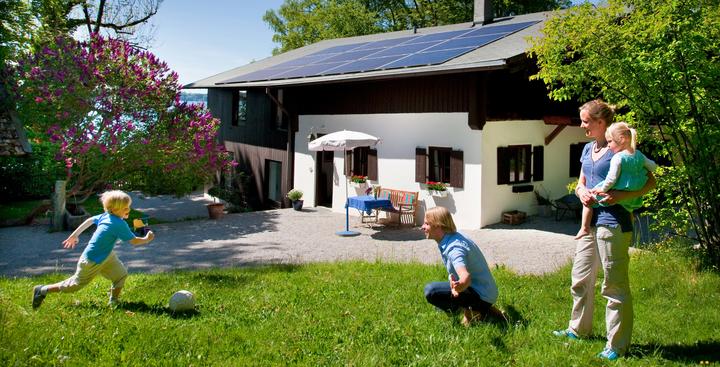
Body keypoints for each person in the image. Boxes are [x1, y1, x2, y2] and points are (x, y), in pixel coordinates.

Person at [553, 100, 656, 361]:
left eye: (586, 121)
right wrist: (580, 192)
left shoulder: (621, 149)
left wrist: (619, 196)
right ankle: (578, 329)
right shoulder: (588, 148)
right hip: (590, 221)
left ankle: (617, 345)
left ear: (601, 122)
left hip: (614, 222)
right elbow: (582, 181)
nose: (582, 125)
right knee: (580, 278)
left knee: (614, 284)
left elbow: (651, 182)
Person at [32, 190, 155, 309]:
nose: (129, 209)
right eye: (125, 208)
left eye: (128, 206)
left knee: (121, 275)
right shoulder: (118, 223)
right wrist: (147, 239)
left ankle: (113, 301)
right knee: (74, 285)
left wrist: (75, 235)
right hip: (92, 260)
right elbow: (134, 241)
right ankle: (42, 289)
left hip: (107, 255)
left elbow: (90, 220)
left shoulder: (106, 216)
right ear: (114, 210)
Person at [422, 206, 504, 326]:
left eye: (426, 224)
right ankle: (479, 309)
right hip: (486, 291)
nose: (422, 227)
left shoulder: (454, 248)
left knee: (432, 291)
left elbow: (465, 277)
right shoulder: (453, 236)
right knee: (440, 303)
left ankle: (474, 311)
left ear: (438, 225)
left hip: (481, 295)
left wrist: (459, 287)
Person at [575, 121, 658, 239]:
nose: (608, 145)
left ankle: (584, 227)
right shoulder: (638, 154)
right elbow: (653, 166)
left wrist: (601, 189)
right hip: (633, 187)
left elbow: (611, 179)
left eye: (610, 141)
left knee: (590, 197)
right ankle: (629, 227)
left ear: (622, 139)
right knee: (628, 207)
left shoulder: (617, 157)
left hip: (619, 187)